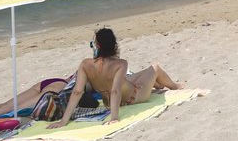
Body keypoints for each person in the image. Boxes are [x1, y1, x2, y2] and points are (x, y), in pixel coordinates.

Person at [47, 28, 182, 129]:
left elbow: (77, 92)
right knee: (155, 68)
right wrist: (114, 117)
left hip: (109, 102)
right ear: (113, 45)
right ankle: (174, 86)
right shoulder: (120, 63)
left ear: (97, 46)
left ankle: (158, 86)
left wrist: (63, 121)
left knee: (134, 78)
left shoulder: (85, 64)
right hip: (132, 98)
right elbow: (115, 90)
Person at [0, 77, 70, 118]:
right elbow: (77, 91)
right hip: (60, 87)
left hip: (54, 81)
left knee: (3, 105)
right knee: (14, 109)